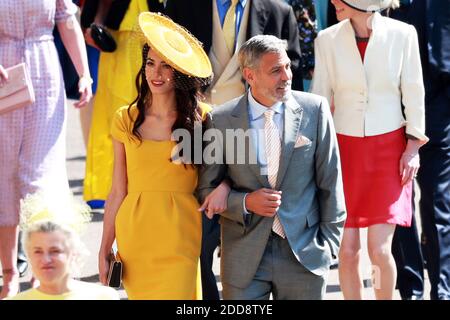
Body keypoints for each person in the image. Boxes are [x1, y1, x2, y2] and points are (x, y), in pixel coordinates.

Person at [165, 0, 304, 300]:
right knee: (198, 243)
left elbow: (290, 90)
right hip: (196, 139)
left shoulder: (278, 13)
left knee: (253, 250)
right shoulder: (180, 6)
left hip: (257, 145)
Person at [197, 34, 346, 300]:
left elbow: (331, 183)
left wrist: (329, 246)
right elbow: (206, 190)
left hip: (304, 254)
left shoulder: (315, 110)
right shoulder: (220, 120)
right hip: (244, 258)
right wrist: (244, 202)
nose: (286, 76)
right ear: (250, 75)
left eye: (287, 66)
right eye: (275, 70)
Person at [98, 12, 230, 300]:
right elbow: (118, 190)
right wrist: (105, 246)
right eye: (150, 63)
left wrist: (224, 187)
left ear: (180, 72)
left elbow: (229, 172)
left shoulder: (205, 119)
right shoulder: (125, 118)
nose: (155, 73)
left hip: (183, 233)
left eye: (166, 66)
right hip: (135, 234)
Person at [311, 0, 428, 299]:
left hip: (389, 151)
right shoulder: (326, 40)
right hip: (343, 151)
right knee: (348, 252)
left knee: (379, 250)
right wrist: (314, 155)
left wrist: (413, 146)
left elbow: (414, 92)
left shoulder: (404, 34)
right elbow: (320, 99)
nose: (333, 2)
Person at [0, 0, 92, 299]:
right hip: (3, 73)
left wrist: (84, 73)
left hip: (45, 73)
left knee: (40, 176)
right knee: (4, 175)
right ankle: (9, 272)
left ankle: (43, 268)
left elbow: (66, 20)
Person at [82, 0, 164, 209]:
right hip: (124, 31)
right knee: (121, 114)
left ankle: (142, 186)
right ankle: (111, 188)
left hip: (155, 28)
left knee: (150, 110)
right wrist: (94, 22)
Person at [392, 0, 449, 300]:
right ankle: (411, 288)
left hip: (440, 109)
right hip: (394, 111)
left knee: (439, 202)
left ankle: (443, 289)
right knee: (400, 208)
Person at [4, 193, 119, 300]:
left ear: (74, 253)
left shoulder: (103, 296)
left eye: (55, 251)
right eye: (38, 251)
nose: (46, 259)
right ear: (28, 254)